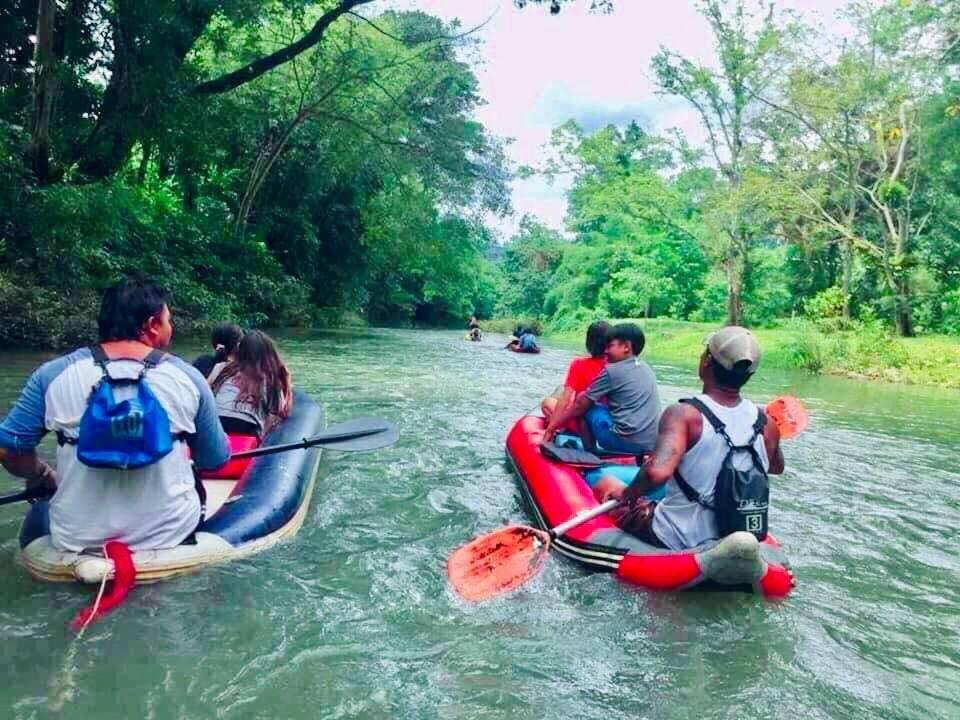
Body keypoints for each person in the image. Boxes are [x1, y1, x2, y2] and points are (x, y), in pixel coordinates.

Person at [0, 274, 230, 552]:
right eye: (168, 320)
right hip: (169, 537)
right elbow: (215, 459)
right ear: (152, 325)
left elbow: (10, 450)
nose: (171, 327)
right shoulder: (188, 377)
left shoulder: (51, 375)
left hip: (76, 541)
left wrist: (41, 472)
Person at [594, 326, 784, 550]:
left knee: (605, 482)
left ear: (706, 362)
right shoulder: (766, 423)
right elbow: (775, 467)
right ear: (748, 375)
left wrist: (626, 494)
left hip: (677, 536)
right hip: (732, 529)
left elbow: (657, 472)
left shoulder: (683, 414)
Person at [542, 323, 659, 454]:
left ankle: (590, 453)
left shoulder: (611, 370)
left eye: (610, 346)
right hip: (650, 444)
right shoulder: (646, 368)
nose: (606, 351)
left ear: (626, 347)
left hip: (622, 441)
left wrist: (551, 429)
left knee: (583, 404)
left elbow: (579, 404)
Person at [209, 330, 293, 437]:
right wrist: (263, 436)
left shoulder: (224, 368)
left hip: (216, 421)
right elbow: (277, 412)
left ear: (239, 349)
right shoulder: (270, 377)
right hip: (247, 425)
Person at [541, 320, 609, 428]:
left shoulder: (578, 364)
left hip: (579, 422)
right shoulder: (616, 367)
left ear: (588, 342)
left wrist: (551, 428)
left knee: (546, 402)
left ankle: (559, 426)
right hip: (603, 423)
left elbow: (565, 398)